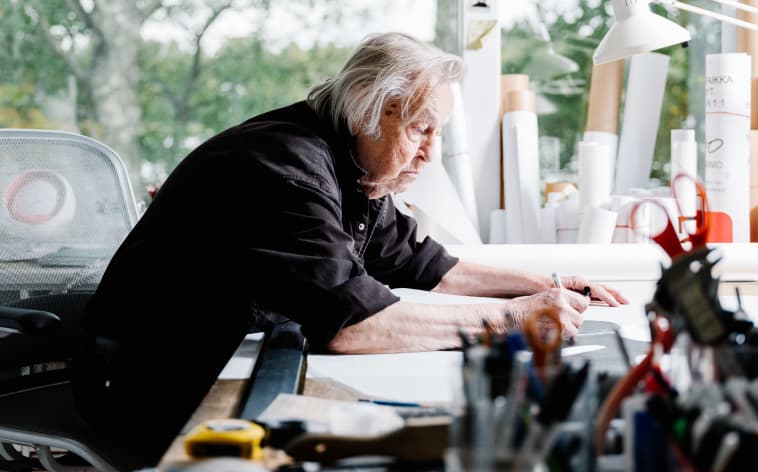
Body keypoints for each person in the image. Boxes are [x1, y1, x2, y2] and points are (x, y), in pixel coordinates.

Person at [73, 32, 626, 465]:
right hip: (146, 384)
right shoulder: (287, 171)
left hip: (226, 359)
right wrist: (512, 319)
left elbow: (427, 264)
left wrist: (551, 285)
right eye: (421, 130)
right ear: (370, 110)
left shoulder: (354, 165)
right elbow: (352, 327)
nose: (431, 154)